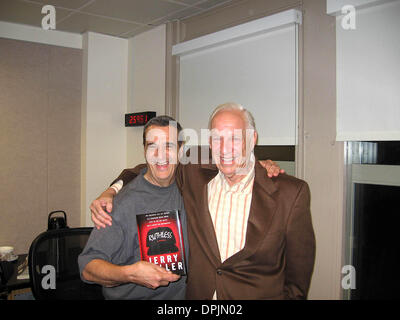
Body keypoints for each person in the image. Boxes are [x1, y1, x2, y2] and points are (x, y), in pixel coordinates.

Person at [92, 103, 315, 299]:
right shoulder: (195, 174)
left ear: (252, 138)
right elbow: (150, 167)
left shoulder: (291, 194)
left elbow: (298, 278)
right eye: (217, 139)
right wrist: (111, 190)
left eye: (235, 138)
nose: (225, 148)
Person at [78, 116, 188, 300]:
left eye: (168, 146)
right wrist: (129, 274)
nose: (160, 155)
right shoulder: (121, 204)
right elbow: (88, 268)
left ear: (181, 150)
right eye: (152, 146)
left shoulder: (189, 189)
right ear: (144, 150)